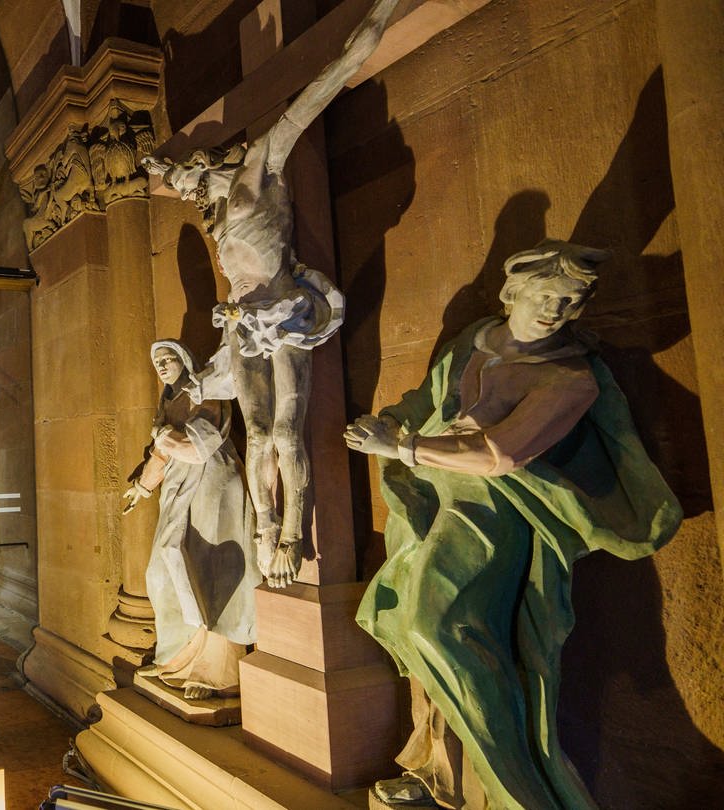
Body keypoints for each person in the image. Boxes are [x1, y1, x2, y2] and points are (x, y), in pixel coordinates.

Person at [343, 241, 681, 809]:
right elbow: (428, 397)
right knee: (411, 631)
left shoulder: (571, 379)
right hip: (433, 504)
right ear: (511, 294)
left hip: (493, 515)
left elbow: (499, 455)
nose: (556, 310)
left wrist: (402, 447)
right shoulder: (475, 338)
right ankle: (441, 772)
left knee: (436, 629)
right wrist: (391, 421)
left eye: (571, 301)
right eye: (546, 295)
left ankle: (520, 796)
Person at [143, 0, 400, 588]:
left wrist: (373, 25)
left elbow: (319, 90)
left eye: (190, 179)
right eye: (183, 185)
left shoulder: (260, 164)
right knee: (257, 434)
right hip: (242, 323)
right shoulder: (216, 212)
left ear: (212, 164)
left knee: (286, 432)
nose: (188, 190)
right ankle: (266, 529)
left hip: (285, 313)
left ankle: (291, 533)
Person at [122, 341, 260, 700]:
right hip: (181, 487)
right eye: (157, 362)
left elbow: (200, 448)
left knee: (212, 570)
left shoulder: (206, 392)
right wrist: (143, 487)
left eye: (169, 358)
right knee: (161, 571)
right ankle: (176, 657)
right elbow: (163, 453)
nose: (163, 365)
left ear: (185, 360)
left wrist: (166, 439)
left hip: (213, 484)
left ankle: (219, 670)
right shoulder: (168, 402)